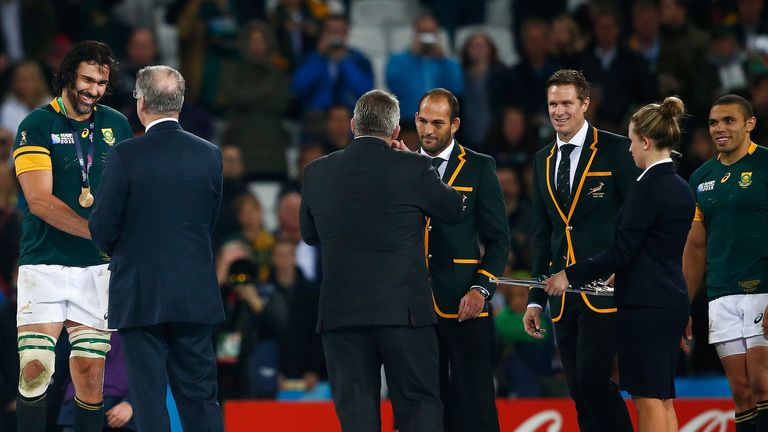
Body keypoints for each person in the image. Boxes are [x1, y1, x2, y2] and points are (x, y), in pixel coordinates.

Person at [300, 89, 464, 432]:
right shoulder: (416, 166)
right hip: (403, 312)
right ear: (395, 133)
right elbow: (453, 208)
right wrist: (420, 165)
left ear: (353, 125)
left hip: (342, 314)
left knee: (356, 414)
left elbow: (310, 235)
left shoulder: (316, 172)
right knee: (418, 405)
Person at [88, 65, 225, 432]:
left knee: (148, 401)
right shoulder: (210, 154)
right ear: (178, 103)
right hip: (194, 294)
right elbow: (210, 221)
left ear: (141, 103)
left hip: (140, 293)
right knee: (200, 397)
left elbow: (101, 228)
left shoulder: (126, 155)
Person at [546, 97, 694, 432]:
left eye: (631, 142)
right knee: (664, 399)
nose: (629, 151)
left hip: (643, 305)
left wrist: (569, 275)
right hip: (670, 300)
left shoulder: (645, 188)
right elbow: (653, 249)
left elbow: (622, 252)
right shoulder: (681, 187)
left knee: (647, 399)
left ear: (645, 142)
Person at [11, 40, 132, 432]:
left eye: (101, 82)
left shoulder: (116, 125)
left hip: (96, 271)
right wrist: (96, 234)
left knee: (91, 378)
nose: (93, 89)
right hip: (43, 262)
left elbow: (128, 191)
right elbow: (39, 201)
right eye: (86, 79)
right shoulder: (36, 125)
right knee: (35, 370)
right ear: (67, 76)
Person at [523, 69, 637, 432]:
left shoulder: (617, 149)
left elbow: (636, 218)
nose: (559, 111)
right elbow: (544, 233)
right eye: (553, 103)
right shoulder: (541, 158)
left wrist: (626, 265)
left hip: (605, 288)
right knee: (577, 389)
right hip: (561, 294)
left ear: (585, 104)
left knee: (594, 381)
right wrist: (534, 300)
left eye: (567, 103)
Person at [415, 88, 509, 432]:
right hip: (414, 307)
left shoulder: (481, 168)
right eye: (423, 121)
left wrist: (481, 290)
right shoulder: (403, 166)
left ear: (454, 124)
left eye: (437, 123)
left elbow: (499, 241)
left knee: (476, 402)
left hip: (465, 304)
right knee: (424, 403)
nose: (428, 130)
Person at [683, 94, 768, 432]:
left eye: (729, 121)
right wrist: (683, 303)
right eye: (713, 122)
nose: (719, 128)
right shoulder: (701, 178)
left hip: (762, 288)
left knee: (763, 385)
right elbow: (695, 245)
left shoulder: (765, 165)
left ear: (750, 124)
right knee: (740, 391)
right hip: (720, 294)